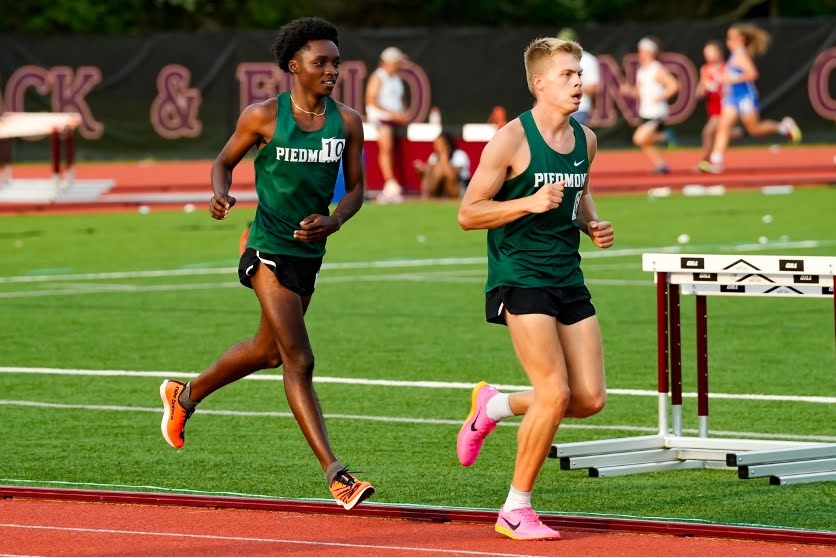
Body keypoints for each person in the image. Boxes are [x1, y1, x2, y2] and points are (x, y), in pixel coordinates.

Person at [158, 17, 374, 511]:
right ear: (293, 66)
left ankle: (184, 395)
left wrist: (335, 220)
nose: (331, 70)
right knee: (299, 359)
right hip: (266, 249)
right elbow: (222, 162)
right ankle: (337, 474)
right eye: (321, 62)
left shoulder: (349, 122)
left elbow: (359, 188)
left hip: (309, 254)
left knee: (267, 351)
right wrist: (219, 194)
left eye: (336, 62)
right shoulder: (262, 116)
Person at [456, 37, 614, 541]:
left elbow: (580, 188)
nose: (578, 82)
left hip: (567, 274)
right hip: (518, 274)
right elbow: (468, 213)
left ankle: (494, 407)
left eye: (580, 73)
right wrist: (527, 203)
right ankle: (515, 509)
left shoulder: (586, 139)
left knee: (588, 398)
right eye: (568, 74)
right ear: (539, 83)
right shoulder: (510, 140)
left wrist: (590, 223)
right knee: (553, 391)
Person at [706, 23, 801, 174]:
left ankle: (783, 127)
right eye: (727, 38)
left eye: (731, 38)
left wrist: (732, 79)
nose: (728, 41)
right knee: (723, 127)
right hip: (733, 98)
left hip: (745, 97)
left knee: (755, 130)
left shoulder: (740, 55)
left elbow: (752, 74)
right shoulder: (734, 55)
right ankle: (716, 162)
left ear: (741, 40)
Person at [619, 36, 679, 174]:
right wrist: (628, 90)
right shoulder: (642, 70)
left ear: (651, 52)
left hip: (657, 112)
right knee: (645, 142)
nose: (640, 53)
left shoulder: (657, 68)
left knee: (638, 138)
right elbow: (639, 92)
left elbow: (674, 85)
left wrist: (660, 97)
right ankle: (661, 164)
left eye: (642, 50)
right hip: (645, 111)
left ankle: (667, 136)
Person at [365, 46, 409, 204]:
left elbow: (400, 100)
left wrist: (402, 114)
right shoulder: (378, 77)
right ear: (388, 62)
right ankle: (390, 182)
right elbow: (371, 100)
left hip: (394, 120)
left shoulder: (396, 78)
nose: (398, 64)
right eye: (396, 61)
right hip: (381, 119)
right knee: (386, 146)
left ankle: (394, 183)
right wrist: (393, 114)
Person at [695, 40, 743, 172]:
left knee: (708, 132)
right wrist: (701, 90)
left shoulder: (727, 67)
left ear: (719, 52)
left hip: (726, 107)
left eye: (711, 52)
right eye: (706, 53)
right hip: (713, 108)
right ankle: (738, 133)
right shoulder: (705, 69)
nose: (708, 55)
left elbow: (733, 85)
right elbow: (701, 86)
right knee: (718, 134)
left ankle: (705, 161)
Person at [556, 28, 600, 126]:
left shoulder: (588, 60)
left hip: (578, 109)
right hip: (556, 109)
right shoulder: (554, 60)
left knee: (572, 139)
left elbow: (592, 88)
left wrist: (572, 84)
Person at [413, 131, 471, 199]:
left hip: (459, 189)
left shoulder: (459, 155)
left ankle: (427, 197)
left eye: (439, 144)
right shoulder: (434, 156)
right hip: (439, 189)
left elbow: (451, 176)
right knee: (430, 172)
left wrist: (443, 155)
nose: (435, 146)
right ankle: (426, 197)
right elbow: (428, 177)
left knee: (440, 170)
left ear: (447, 144)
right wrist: (423, 170)